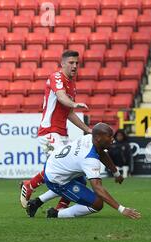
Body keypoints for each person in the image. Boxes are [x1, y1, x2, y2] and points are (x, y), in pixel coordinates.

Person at [20, 50, 124, 214]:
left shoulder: (71, 83)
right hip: (49, 131)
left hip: (61, 132)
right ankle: (31, 184)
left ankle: (43, 204)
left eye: (77, 63)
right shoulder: (57, 78)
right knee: (60, 169)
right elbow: (62, 97)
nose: (75, 66)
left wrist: (88, 130)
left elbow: (68, 113)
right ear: (62, 64)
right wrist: (74, 104)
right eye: (71, 62)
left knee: (74, 175)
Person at [26, 123, 141, 220]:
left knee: (81, 181)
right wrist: (122, 209)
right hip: (55, 178)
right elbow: (98, 189)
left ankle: (36, 202)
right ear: (98, 138)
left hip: (54, 164)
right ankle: (55, 214)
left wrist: (116, 173)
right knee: (97, 203)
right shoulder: (89, 159)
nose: (112, 139)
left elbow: (102, 153)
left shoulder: (89, 138)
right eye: (109, 136)